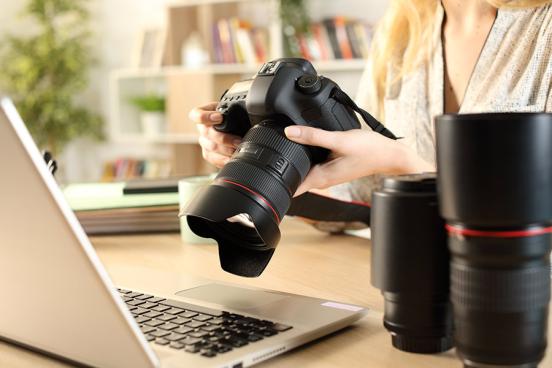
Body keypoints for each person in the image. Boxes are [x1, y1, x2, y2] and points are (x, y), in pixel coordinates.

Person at [190, 0, 552, 229]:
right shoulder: (401, 32)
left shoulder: (543, 28)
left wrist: (406, 167)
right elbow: (360, 195)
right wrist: (265, 158)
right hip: (408, 282)